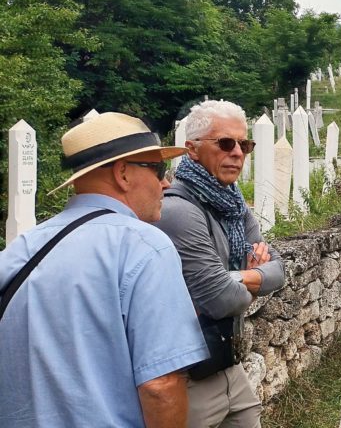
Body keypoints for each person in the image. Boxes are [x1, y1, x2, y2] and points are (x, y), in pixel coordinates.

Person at [0, 112, 208, 427]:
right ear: (123, 173)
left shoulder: (22, 248)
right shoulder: (145, 246)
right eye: (158, 169)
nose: (166, 183)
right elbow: (160, 385)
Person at [154, 100, 285, 428]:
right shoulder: (179, 211)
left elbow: (278, 271)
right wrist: (252, 279)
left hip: (228, 363)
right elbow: (221, 299)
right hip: (190, 376)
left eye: (245, 144)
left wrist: (233, 277)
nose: (238, 153)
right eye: (226, 143)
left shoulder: (234, 203)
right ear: (193, 149)